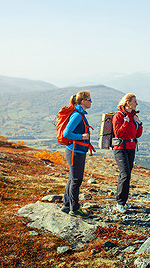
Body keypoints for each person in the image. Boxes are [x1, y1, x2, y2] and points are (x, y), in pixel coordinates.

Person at [60, 90, 94, 218]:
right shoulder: (77, 115)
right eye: (89, 99)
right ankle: (74, 209)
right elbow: (66, 133)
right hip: (75, 151)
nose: (91, 102)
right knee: (76, 179)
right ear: (83, 101)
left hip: (75, 150)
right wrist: (82, 136)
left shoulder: (79, 113)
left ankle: (66, 205)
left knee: (72, 178)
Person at [112, 93, 143, 213]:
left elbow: (137, 135)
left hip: (131, 147)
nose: (136, 104)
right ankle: (120, 202)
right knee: (125, 174)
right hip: (120, 148)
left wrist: (139, 123)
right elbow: (118, 134)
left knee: (127, 175)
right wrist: (125, 122)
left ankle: (123, 201)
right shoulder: (119, 116)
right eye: (134, 101)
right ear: (128, 103)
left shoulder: (133, 116)